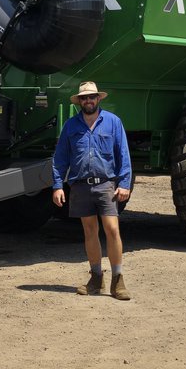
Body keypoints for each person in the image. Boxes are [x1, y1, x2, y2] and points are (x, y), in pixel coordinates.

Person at [52, 81, 133, 301]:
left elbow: (123, 154)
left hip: (106, 184)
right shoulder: (70, 126)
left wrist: (124, 183)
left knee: (112, 229)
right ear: (80, 101)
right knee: (89, 231)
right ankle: (96, 277)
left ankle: (118, 280)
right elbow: (60, 158)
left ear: (98, 99)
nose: (88, 101)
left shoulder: (113, 123)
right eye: (84, 98)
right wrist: (58, 185)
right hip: (80, 185)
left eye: (92, 97)